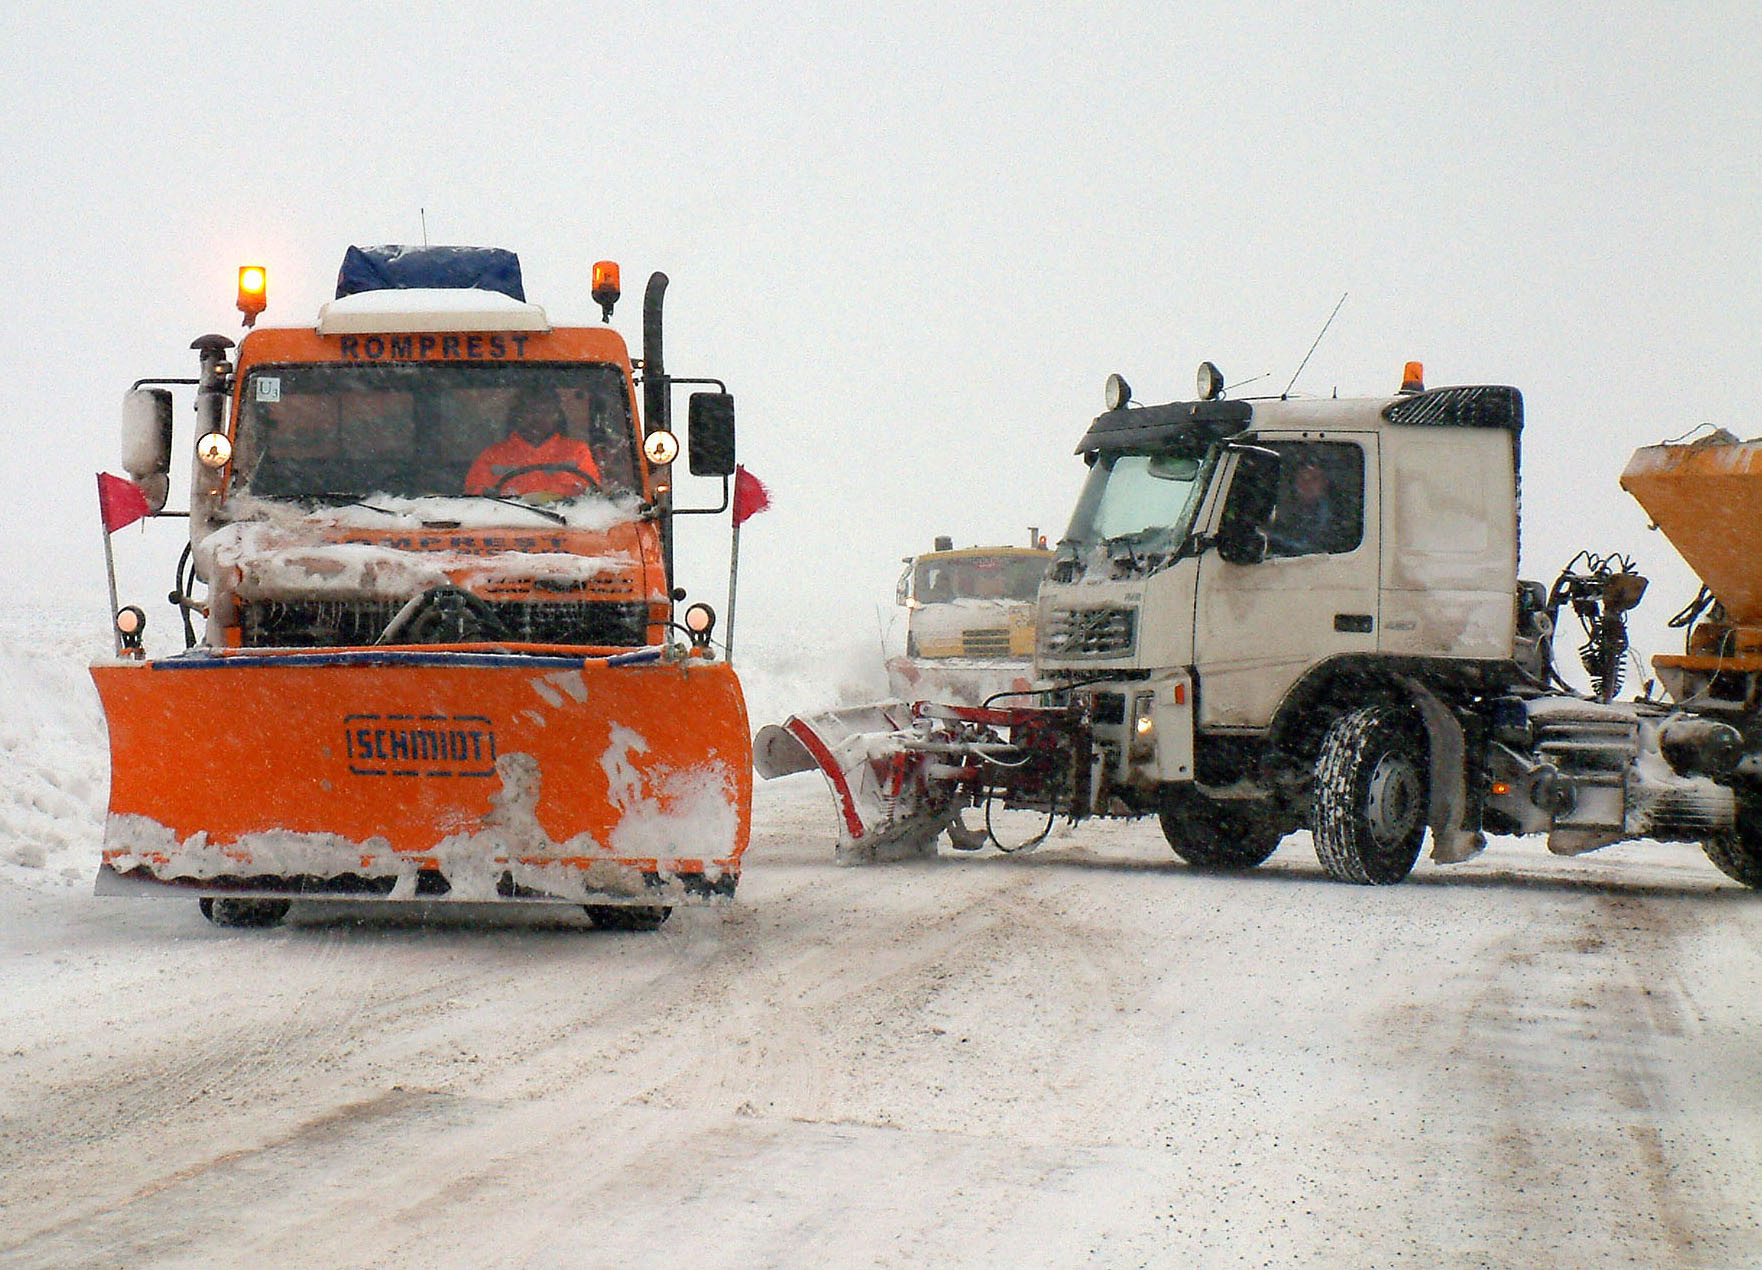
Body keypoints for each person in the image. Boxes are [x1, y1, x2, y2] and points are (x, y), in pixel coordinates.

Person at [465, 388, 601, 498]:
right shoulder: (492, 456)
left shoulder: (578, 452)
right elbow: (476, 502)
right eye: (530, 411)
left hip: (565, 525)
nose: (538, 418)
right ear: (517, 416)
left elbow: (591, 498)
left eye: (546, 412)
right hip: (508, 525)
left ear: (558, 417)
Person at [1266, 453, 1336, 556]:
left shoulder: (1332, 515)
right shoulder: (1282, 507)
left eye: (1314, 479)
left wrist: (1272, 540)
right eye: (1302, 477)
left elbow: (1312, 547)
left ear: (1324, 483)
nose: (1307, 483)